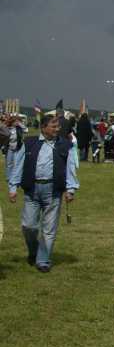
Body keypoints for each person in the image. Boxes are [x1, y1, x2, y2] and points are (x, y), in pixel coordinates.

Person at [7, 113, 79, 272]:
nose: (57, 129)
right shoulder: (29, 143)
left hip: (53, 192)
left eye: (58, 126)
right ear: (43, 127)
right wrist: (13, 187)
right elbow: (18, 165)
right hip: (32, 191)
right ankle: (34, 252)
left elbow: (70, 168)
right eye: (54, 126)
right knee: (28, 226)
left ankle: (43, 261)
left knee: (49, 229)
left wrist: (71, 189)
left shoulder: (65, 145)